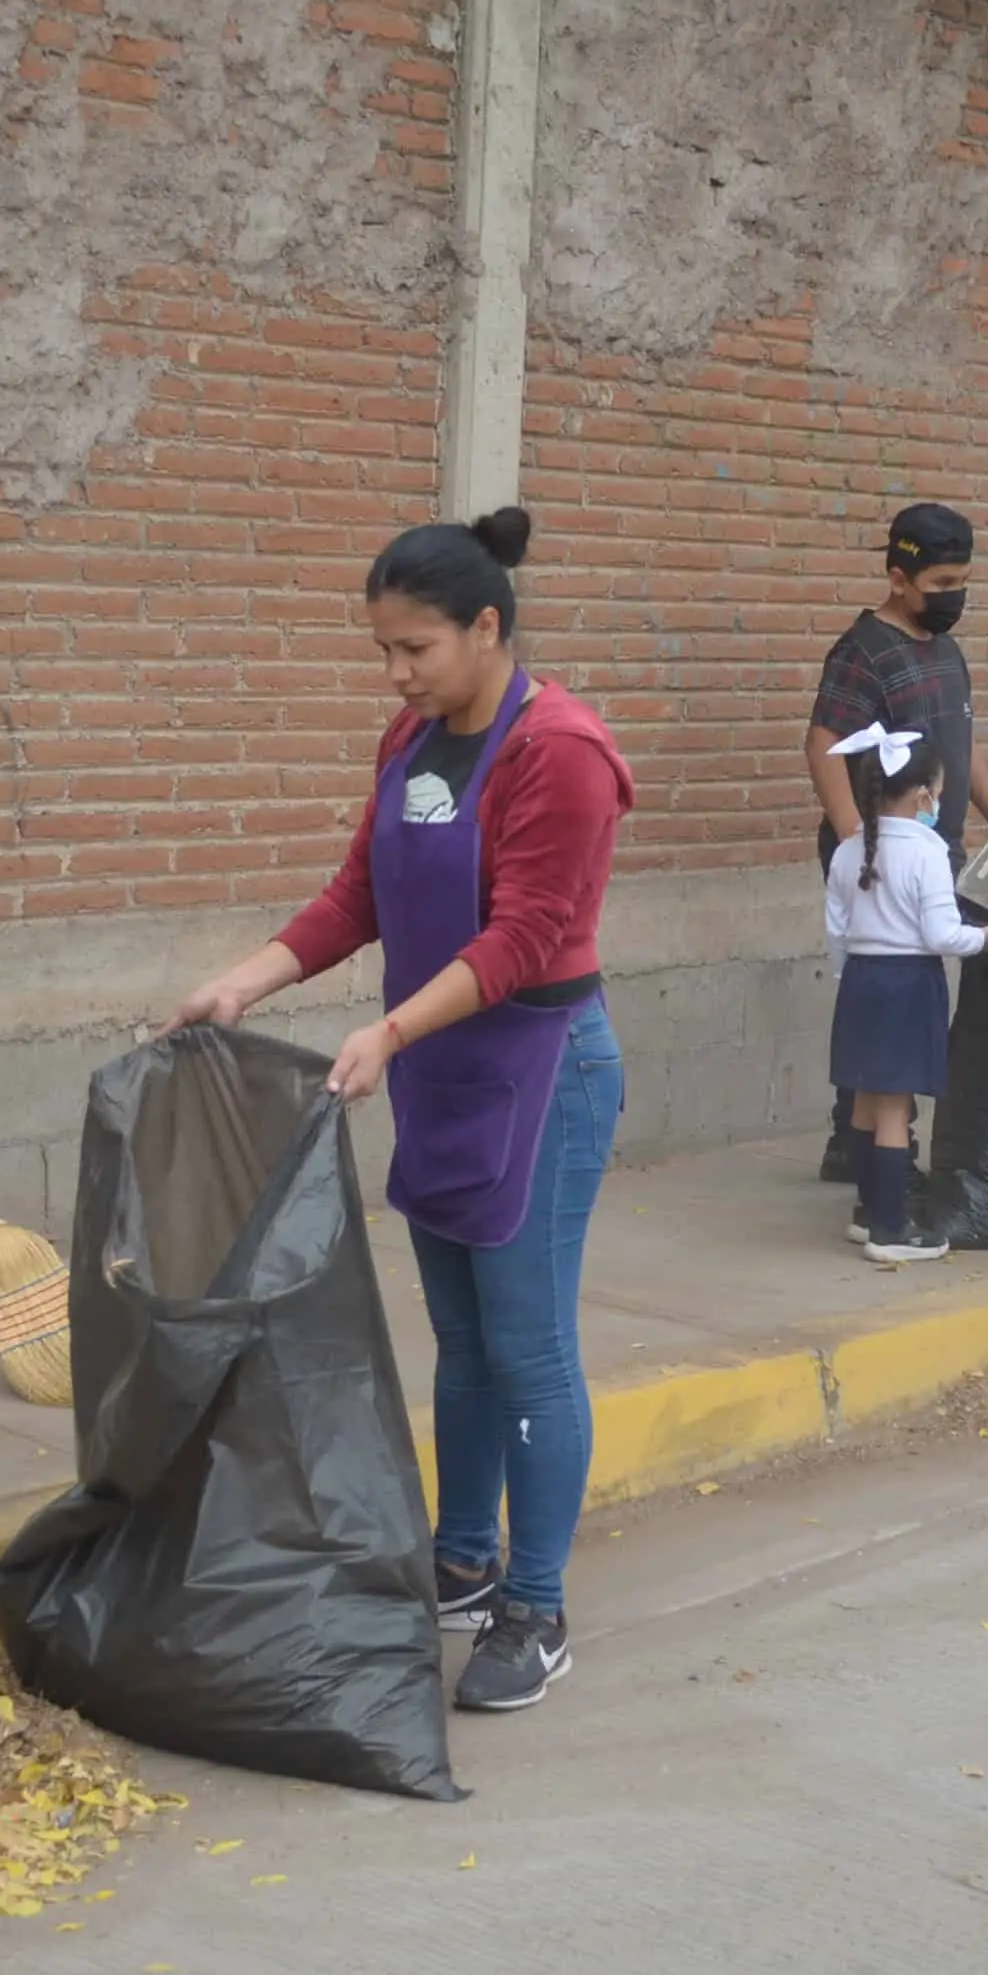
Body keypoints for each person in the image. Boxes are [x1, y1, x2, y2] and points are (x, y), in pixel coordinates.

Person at [171, 508, 633, 1715]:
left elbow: (528, 935)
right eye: (383, 651)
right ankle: (464, 1562)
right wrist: (246, 977)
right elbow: (356, 896)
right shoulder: (412, 742)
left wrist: (385, 1029)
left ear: (488, 628)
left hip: (539, 1071)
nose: (397, 673)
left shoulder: (561, 751)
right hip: (436, 1072)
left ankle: (536, 1605)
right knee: (467, 1347)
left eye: (415, 649)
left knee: (529, 1350)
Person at [804, 504, 988, 1182]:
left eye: (963, 581)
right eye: (943, 583)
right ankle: (873, 1149)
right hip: (879, 862)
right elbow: (824, 745)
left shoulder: (944, 651)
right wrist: (859, 846)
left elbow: (961, 746)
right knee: (886, 999)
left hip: (932, 854)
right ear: (899, 577)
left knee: (903, 999)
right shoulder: (863, 650)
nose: (954, 596)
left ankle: (866, 1141)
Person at [822, 725, 988, 1265]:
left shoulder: (848, 850)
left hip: (861, 981)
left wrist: (849, 975)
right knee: (894, 1111)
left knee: (864, 1102)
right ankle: (890, 1229)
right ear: (924, 793)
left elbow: (836, 928)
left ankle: (867, 1211)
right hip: (908, 985)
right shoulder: (928, 852)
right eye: (939, 790)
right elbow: (940, 935)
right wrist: (986, 939)